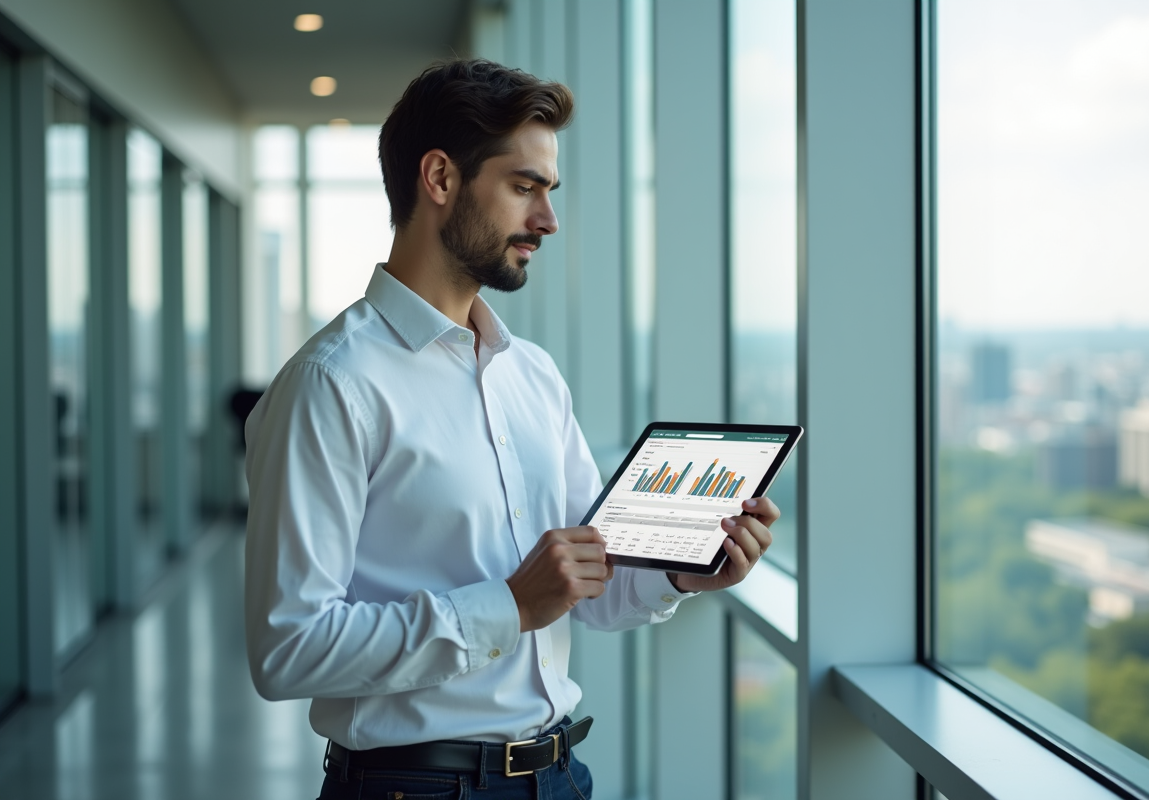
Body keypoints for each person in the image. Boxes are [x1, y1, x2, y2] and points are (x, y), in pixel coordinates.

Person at [243, 59, 778, 800]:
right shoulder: (331, 383)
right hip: (415, 789)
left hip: (560, 777)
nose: (548, 220)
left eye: (549, 191)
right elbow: (288, 648)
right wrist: (509, 606)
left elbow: (591, 585)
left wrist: (686, 571)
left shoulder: (532, 375)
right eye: (525, 187)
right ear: (440, 178)